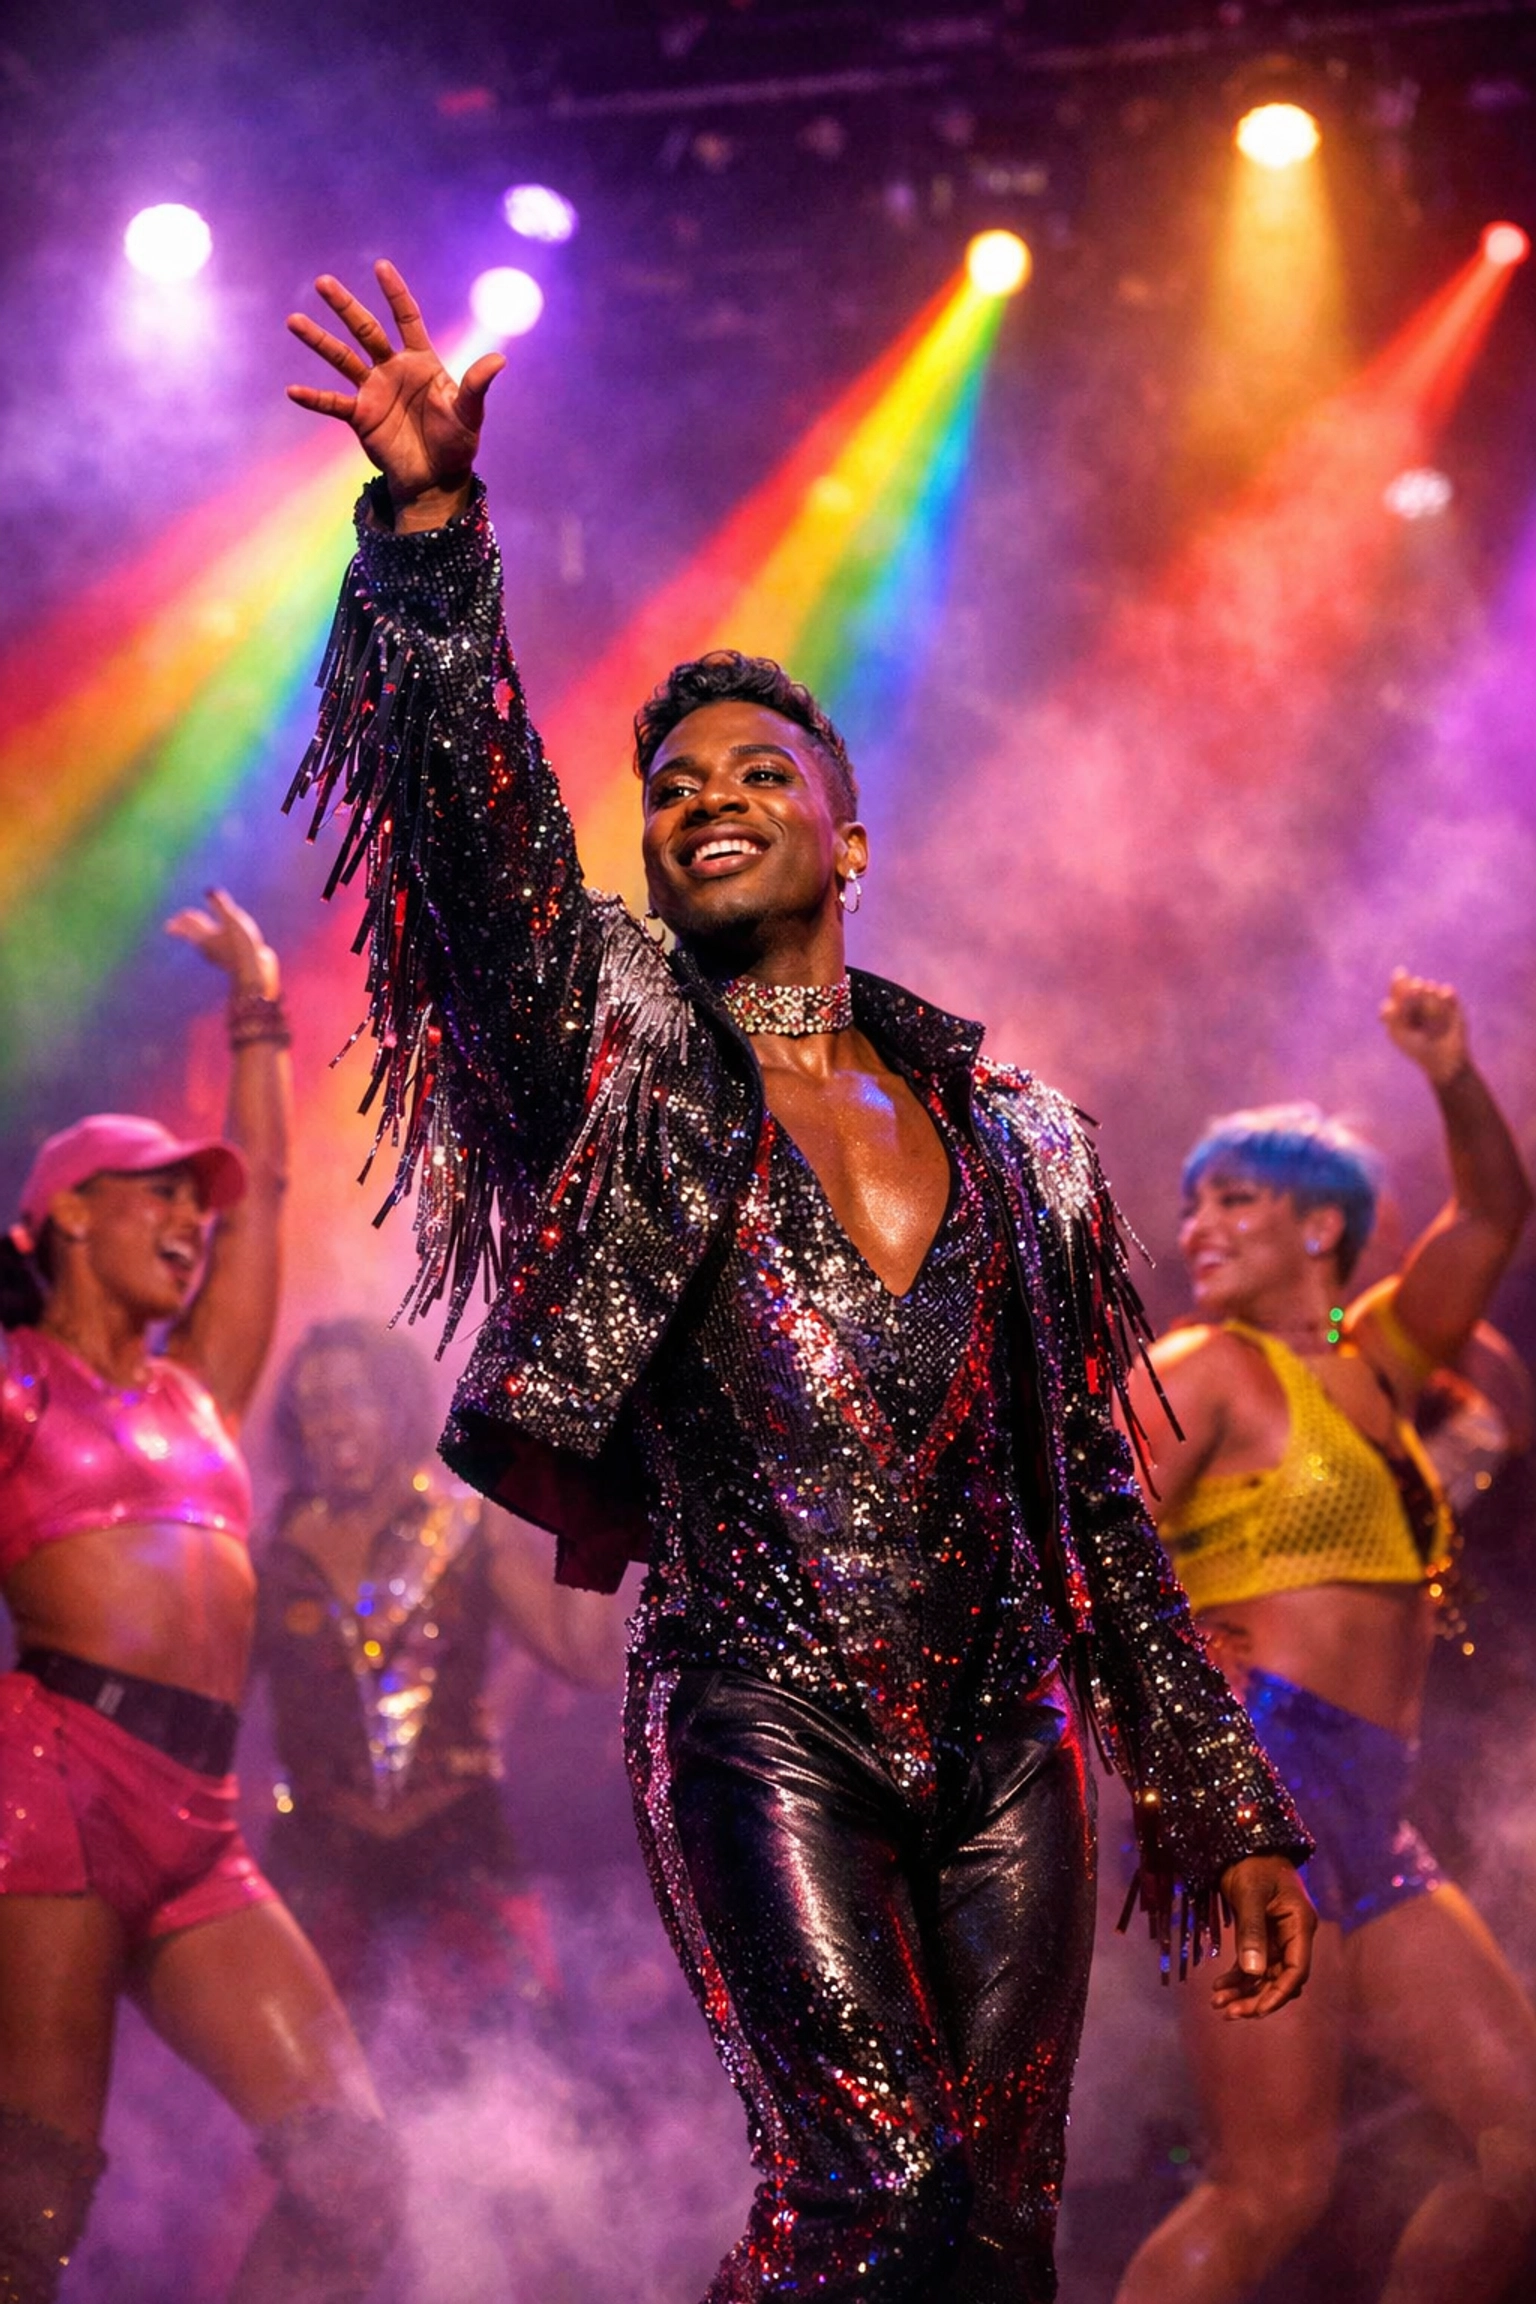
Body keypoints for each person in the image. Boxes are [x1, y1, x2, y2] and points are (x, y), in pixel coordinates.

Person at [282, 258, 1316, 2304]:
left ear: (852, 843)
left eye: (762, 775)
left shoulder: (1022, 1136)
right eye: (673, 792)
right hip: (758, 1711)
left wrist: (1229, 1810)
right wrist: (428, 536)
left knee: (1001, 2243)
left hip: (1012, 1743)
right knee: (875, 2204)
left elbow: (1098, 1515)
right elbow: (480, 863)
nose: (708, 801)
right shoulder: (624, 1056)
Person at [0, 894, 402, 2304]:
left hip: (198, 1822)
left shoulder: (200, 1394)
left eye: (195, 1201)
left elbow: (273, 1192)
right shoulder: (15, 1384)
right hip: (51, 1792)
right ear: (62, 1216)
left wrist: (258, 1007)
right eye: (158, 1192)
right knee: (25, 2216)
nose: (190, 1218)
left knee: (359, 2176)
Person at [1113, 974, 1536, 2304]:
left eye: (1235, 1197)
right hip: (1254, 1786)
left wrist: (1453, 1073)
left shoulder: (1378, 1365)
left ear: (1322, 1227)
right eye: (1195, 1202)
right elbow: (1081, 1554)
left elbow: (1492, 1216)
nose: (1199, 1224)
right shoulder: (1201, 1364)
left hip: (1368, 1801)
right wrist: (1183, 1712)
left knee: (1519, 2148)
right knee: (1272, 2184)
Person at [257, 1317, 622, 2053]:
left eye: (351, 1397)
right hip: (317, 1864)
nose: (331, 1422)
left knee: (513, 2085)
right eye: (313, 1405)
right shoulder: (270, 1553)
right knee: (317, 2119)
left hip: (459, 1854)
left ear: (397, 1404)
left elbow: (585, 1659)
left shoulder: (468, 1524)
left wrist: (596, 1509)